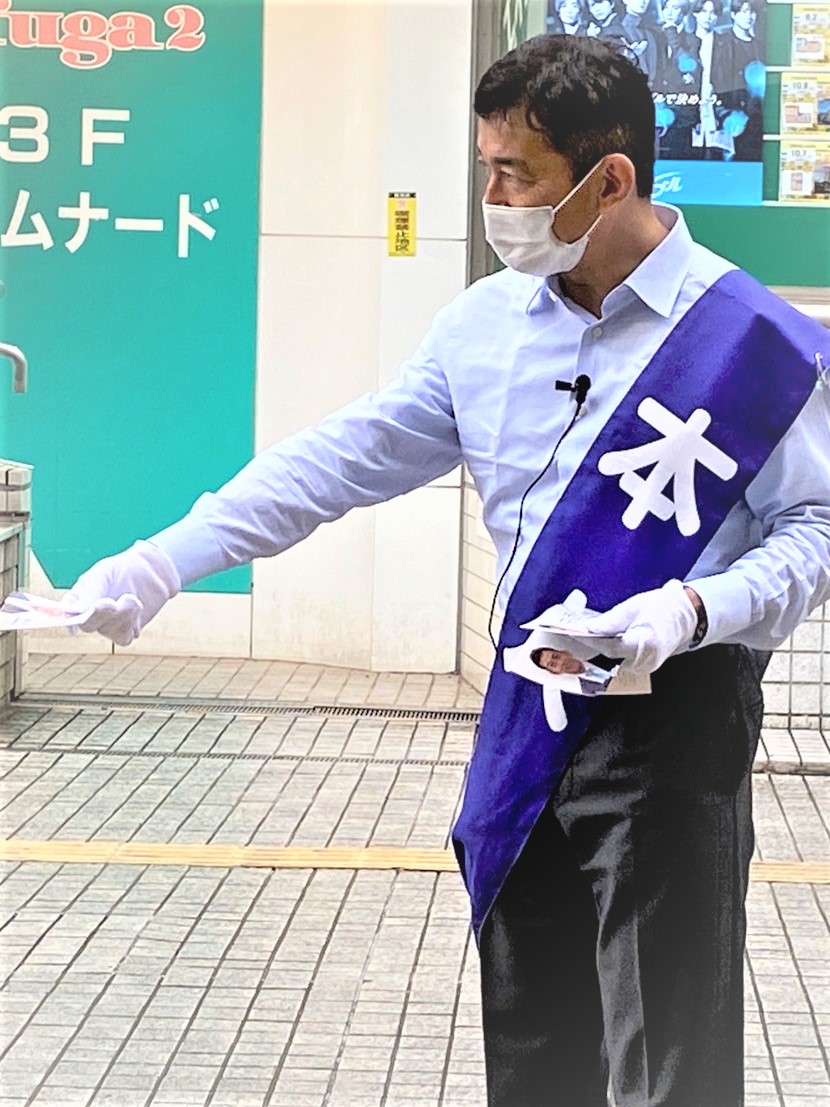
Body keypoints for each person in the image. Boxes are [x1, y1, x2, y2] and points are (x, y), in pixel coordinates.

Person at [65, 35, 830, 1107]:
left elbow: (813, 528)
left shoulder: (750, 340)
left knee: (671, 1065)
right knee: (534, 1046)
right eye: (484, 168)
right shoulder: (482, 326)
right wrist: (163, 561)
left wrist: (691, 608)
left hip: (674, 719)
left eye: (515, 173)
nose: (492, 200)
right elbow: (342, 458)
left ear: (610, 179)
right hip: (527, 715)